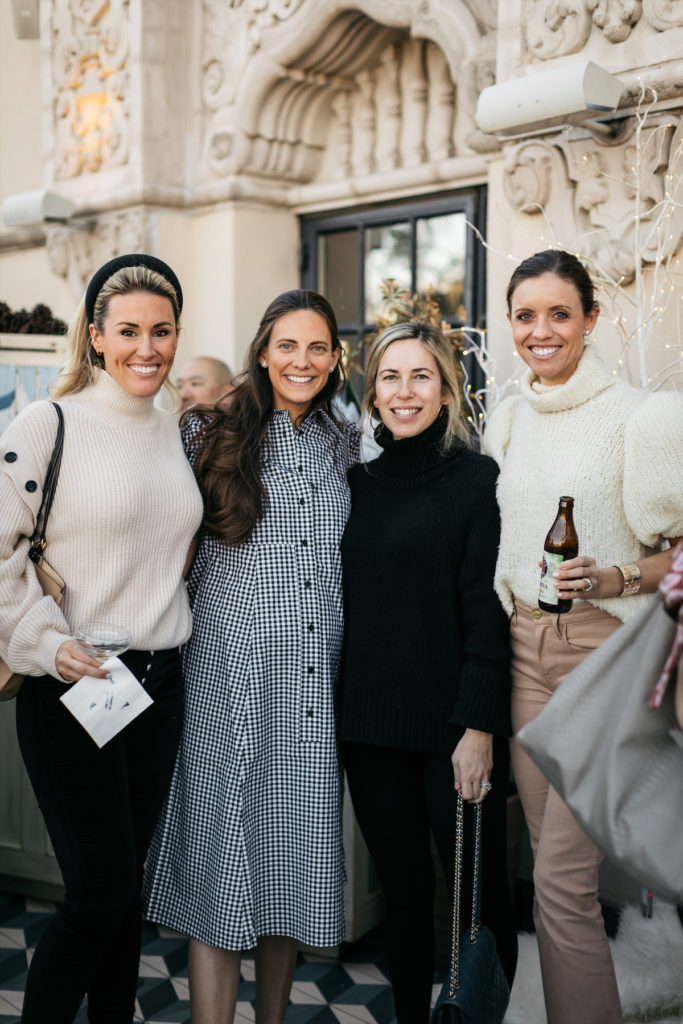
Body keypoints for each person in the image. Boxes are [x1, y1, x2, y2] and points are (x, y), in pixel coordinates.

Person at [143, 289, 360, 1024]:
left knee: (285, 870)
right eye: (288, 346)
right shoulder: (204, 433)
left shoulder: (346, 443)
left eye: (318, 348)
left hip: (308, 694)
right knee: (221, 868)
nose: (302, 361)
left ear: (335, 360)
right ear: (263, 351)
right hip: (224, 686)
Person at [0, 254, 203, 1024]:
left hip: (158, 684)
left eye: (161, 331)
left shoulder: (176, 428)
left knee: (126, 892)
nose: (145, 348)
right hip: (71, 686)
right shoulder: (48, 425)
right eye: (127, 332)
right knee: (99, 894)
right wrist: (44, 643)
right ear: (94, 337)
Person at [483, 249, 683, 1024]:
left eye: (558, 314)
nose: (540, 331)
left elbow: (675, 553)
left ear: (590, 320)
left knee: (562, 883)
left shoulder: (644, 417)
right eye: (525, 315)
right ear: (509, 324)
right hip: (522, 655)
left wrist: (612, 580)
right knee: (551, 874)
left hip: (605, 660)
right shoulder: (506, 420)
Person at [338, 321, 517, 1024]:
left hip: (452, 731)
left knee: (479, 901)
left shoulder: (478, 482)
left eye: (421, 377)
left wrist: (477, 727)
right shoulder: (353, 485)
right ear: (372, 392)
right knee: (405, 902)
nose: (404, 391)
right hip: (370, 730)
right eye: (390, 377)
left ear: (445, 392)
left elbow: (490, 613)